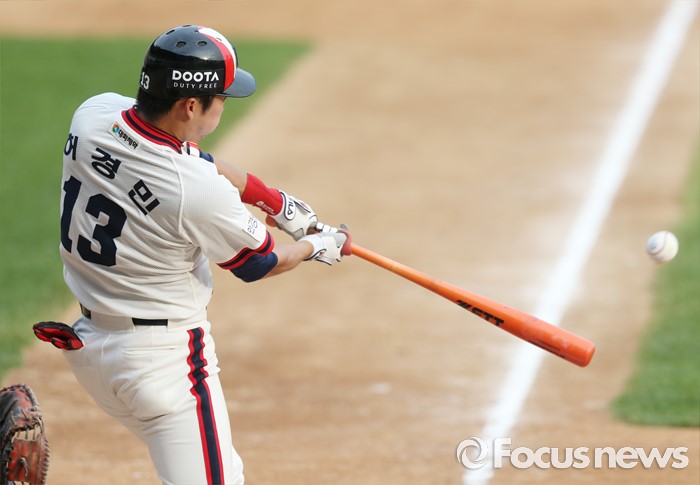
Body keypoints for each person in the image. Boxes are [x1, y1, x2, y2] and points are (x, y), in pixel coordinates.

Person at [39, 24, 347, 485]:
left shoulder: (93, 114)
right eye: (221, 98)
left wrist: (272, 200)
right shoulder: (196, 193)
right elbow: (260, 263)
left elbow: (186, 156)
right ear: (190, 105)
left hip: (89, 352)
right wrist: (316, 246)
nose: (223, 105)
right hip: (162, 368)